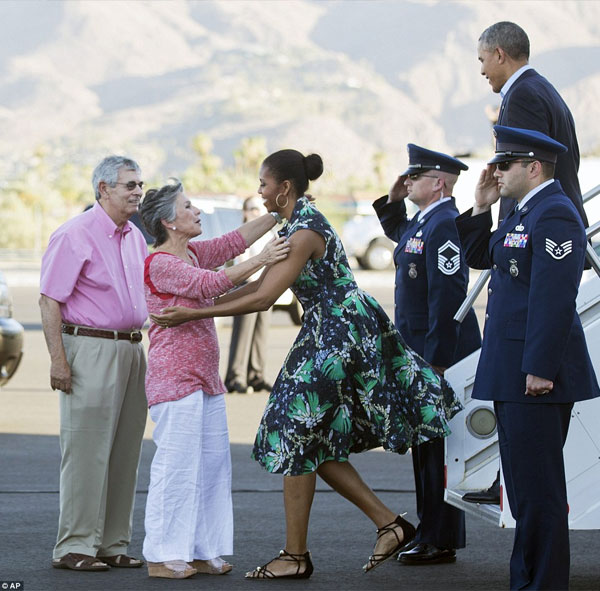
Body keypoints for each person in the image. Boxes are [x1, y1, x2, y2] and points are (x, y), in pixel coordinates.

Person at [151, 149, 463, 579]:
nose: (258, 192)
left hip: (339, 333)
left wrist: (191, 313)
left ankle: (302, 554)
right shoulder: (295, 223)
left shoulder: (304, 231)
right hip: (325, 330)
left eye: (263, 185)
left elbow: (263, 298)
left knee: (293, 428)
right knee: (309, 437)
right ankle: (380, 527)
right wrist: (201, 303)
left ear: (284, 189)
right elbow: (260, 282)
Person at [455, 126, 600, 590]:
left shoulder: (555, 214)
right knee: (522, 493)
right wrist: (480, 206)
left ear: (532, 167)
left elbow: (555, 298)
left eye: (505, 165)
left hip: (533, 374)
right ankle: (528, 581)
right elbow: (485, 257)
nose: (496, 172)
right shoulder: (521, 211)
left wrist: (539, 366)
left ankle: (543, 584)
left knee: (539, 494)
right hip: (510, 369)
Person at [139, 179, 289, 579]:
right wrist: (264, 259)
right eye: (188, 207)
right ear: (169, 221)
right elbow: (212, 283)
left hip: (205, 379)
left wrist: (278, 213)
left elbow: (232, 243)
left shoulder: (190, 252)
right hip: (175, 382)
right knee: (177, 467)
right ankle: (162, 556)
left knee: (211, 467)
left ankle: (203, 550)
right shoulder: (161, 263)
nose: (197, 211)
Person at [373, 145, 481, 565]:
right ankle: (430, 530)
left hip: (439, 355)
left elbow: (448, 297)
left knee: (438, 448)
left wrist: (436, 359)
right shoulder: (425, 222)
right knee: (426, 444)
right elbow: (403, 239)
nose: (408, 181)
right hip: (420, 351)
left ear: (438, 183)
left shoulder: (444, 225)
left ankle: (440, 536)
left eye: (414, 177)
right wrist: (393, 200)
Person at [40, 156, 148, 572]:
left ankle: (111, 543)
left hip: (131, 350)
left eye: (140, 184)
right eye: (129, 185)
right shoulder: (74, 234)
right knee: (86, 451)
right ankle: (74, 547)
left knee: (124, 451)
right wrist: (58, 361)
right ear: (103, 189)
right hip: (90, 350)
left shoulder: (134, 237)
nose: (137, 191)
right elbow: (49, 300)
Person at [477, 21, 587, 227]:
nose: (482, 70)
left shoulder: (522, 96)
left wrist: (510, 233)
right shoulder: (541, 88)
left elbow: (524, 176)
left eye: (482, 60)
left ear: (500, 55)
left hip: (542, 230)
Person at [224, 196, 276, 394]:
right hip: (248, 284)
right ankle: (235, 377)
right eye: (252, 208)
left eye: (258, 208)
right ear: (245, 211)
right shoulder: (244, 233)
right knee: (243, 332)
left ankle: (256, 375)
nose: (256, 212)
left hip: (267, 285)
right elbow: (242, 263)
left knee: (261, 332)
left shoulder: (268, 232)